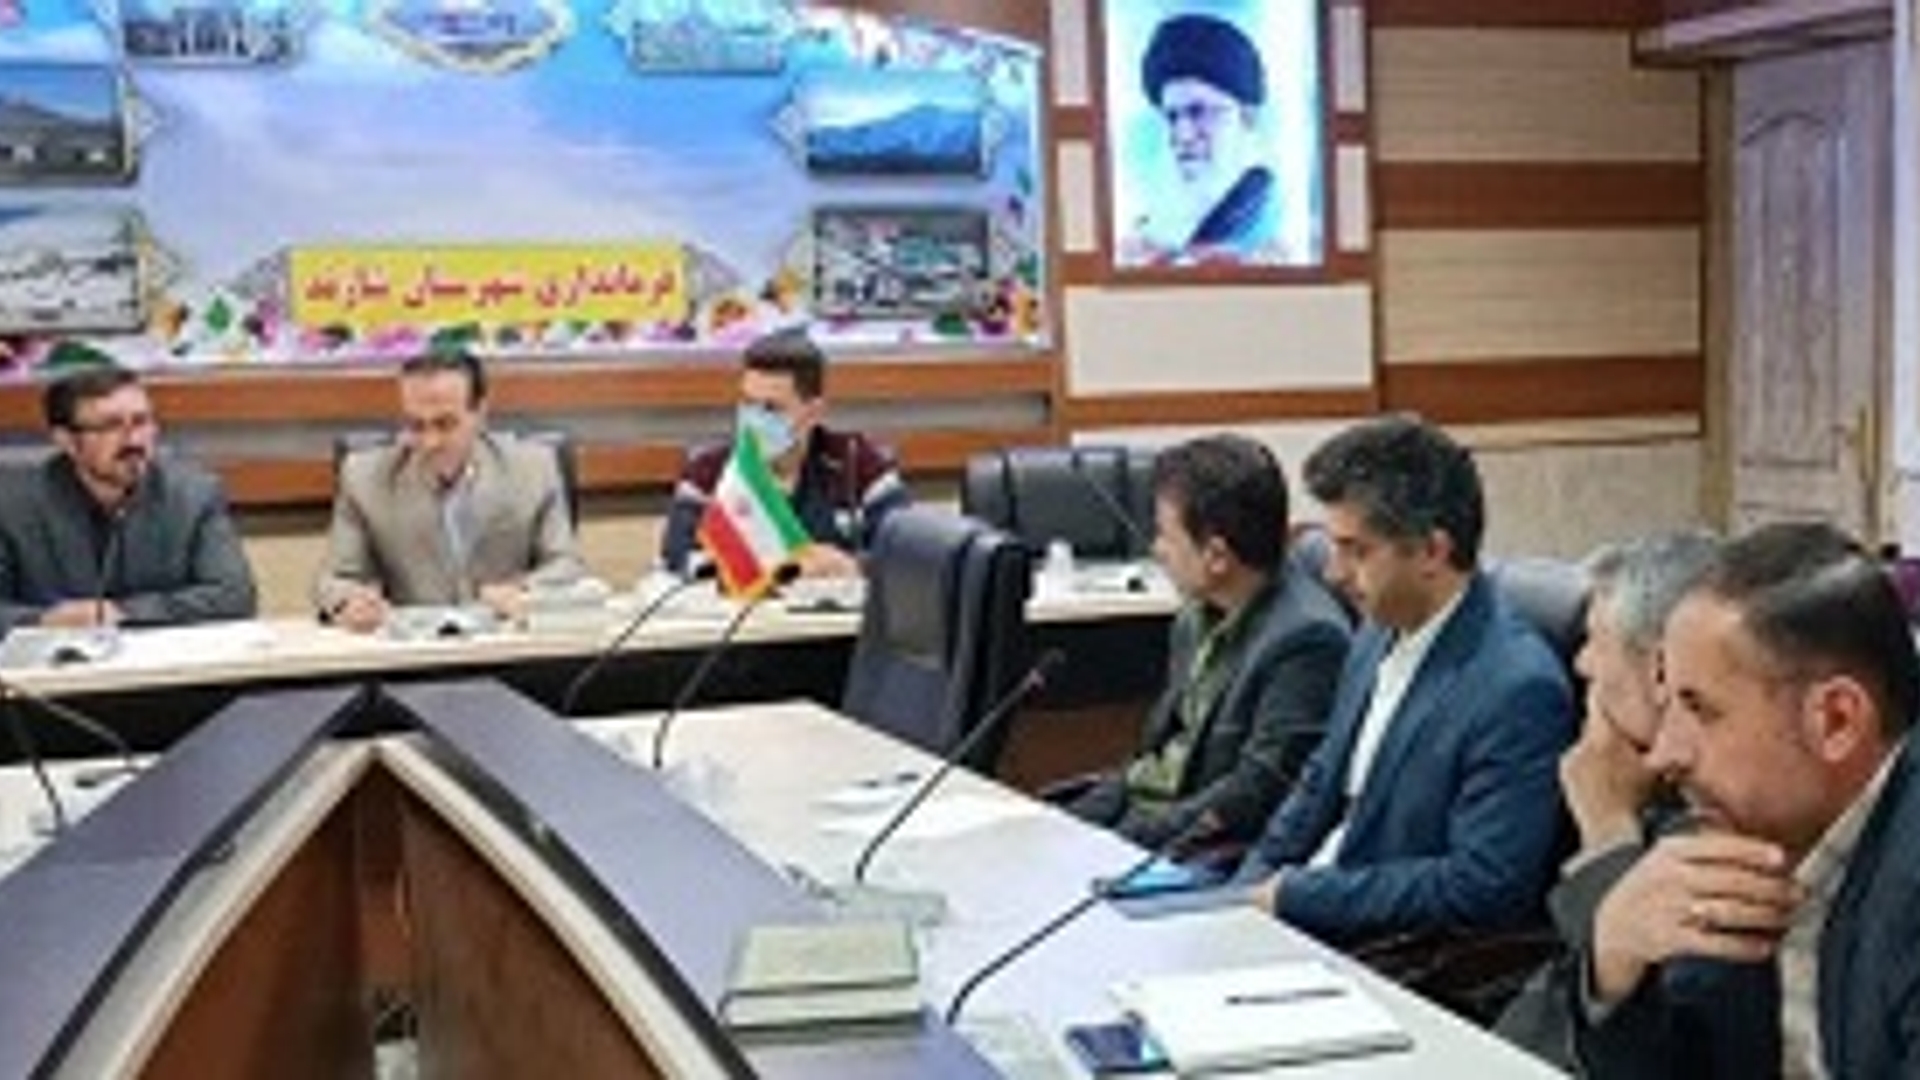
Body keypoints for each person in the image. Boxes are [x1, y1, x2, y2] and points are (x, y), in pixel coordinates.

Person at [1574, 522, 1920, 1078]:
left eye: (1700, 709)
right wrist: (1615, 961)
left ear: (1836, 721)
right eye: (1668, 705)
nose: (1663, 754)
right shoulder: (1750, 831)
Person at [1235, 414, 1575, 945]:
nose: (1333, 573)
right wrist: (1244, 891)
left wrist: (1299, 897)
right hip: (1299, 920)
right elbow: (1320, 781)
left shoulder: (1518, 688)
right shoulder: (1377, 630)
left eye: (1356, 550)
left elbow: (1484, 885)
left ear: (1432, 552)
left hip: (1388, 951)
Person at [1495, 530, 1719, 1068]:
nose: (1581, 664)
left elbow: (1660, 1035)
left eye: (1595, 640)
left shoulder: (1725, 806)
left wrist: (1608, 834)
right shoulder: (1647, 784)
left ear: (1661, 669)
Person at [1062, 434, 1350, 851]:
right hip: (1148, 821)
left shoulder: (1305, 641)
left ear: (1216, 556)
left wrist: (1114, 845)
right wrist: (1064, 825)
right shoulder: (1196, 617)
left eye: (1165, 535)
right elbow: (1154, 760)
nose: (1157, 550)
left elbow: (1251, 797)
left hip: (1202, 849)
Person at [314, 349, 584, 632]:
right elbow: (336, 579)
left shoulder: (534, 469)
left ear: (480, 413)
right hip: (415, 648)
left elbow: (566, 565)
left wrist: (523, 591)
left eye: (445, 424)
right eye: (416, 425)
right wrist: (349, 602)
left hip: (508, 640)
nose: (430, 442)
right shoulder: (364, 478)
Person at [0, 359, 257, 635]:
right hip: (52, 660)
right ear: (66, 441)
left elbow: (234, 597)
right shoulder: (11, 505)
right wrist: (44, 620)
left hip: (158, 658)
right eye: (111, 426)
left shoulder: (193, 495)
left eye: (141, 422)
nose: (133, 440)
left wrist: (123, 613)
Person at [660, 328, 908, 579]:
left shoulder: (860, 464)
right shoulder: (706, 472)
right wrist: (750, 567)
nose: (754, 420)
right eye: (747, 403)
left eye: (771, 408)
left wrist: (850, 565)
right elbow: (675, 556)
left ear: (813, 413)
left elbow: (907, 556)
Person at [1122, 13, 1279, 265]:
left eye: (1199, 113)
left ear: (1248, 117)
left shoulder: (1272, 228)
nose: (1183, 135)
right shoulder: (1152, 231)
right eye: (1172, 117)